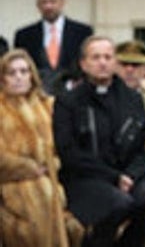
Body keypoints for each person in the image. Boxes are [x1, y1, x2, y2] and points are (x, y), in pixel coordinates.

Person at [53, 36, 145, 247]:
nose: (103, 62)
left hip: (128, 176)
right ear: (83, 64)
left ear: (115, 62)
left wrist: (131, 175)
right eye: (96, 57)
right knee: (119, 204)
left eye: (108, 57)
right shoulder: (68, 101)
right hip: (86, 178)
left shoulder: (133, 99)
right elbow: (68, 151)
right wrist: (114, 177)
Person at [0, 49, 84, 246]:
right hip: (12, 185)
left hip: (55, 179)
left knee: (80, 221)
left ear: (32, 75)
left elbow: (65, 145)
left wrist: (51, 164)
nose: (19, 77)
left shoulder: (50, 106)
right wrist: (30, 168)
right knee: (34, 220)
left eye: (24, 71)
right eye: (11, 73)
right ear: (2, 78)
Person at [13, 0, 93, 92]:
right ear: (38, 5)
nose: (48, 6)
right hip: (36, 99)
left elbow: (89, 65)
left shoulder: (83, 32)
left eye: (53, 1)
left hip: (74, 98)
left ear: (62, 2)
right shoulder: (24, 35)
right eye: (44, 2)